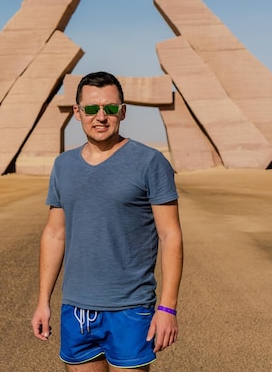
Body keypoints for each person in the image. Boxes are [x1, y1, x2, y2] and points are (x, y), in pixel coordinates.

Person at [31, 71, 184, 371]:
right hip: (76, 308)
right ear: (77, 112)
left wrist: (167, 307)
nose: (101, 116)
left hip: (130, 308)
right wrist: (42, 301)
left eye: (110, 108)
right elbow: (54, 234)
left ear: (122, 112)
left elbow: (170, 236)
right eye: (91, 108)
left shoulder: (150, 162)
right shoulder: (63, 165)